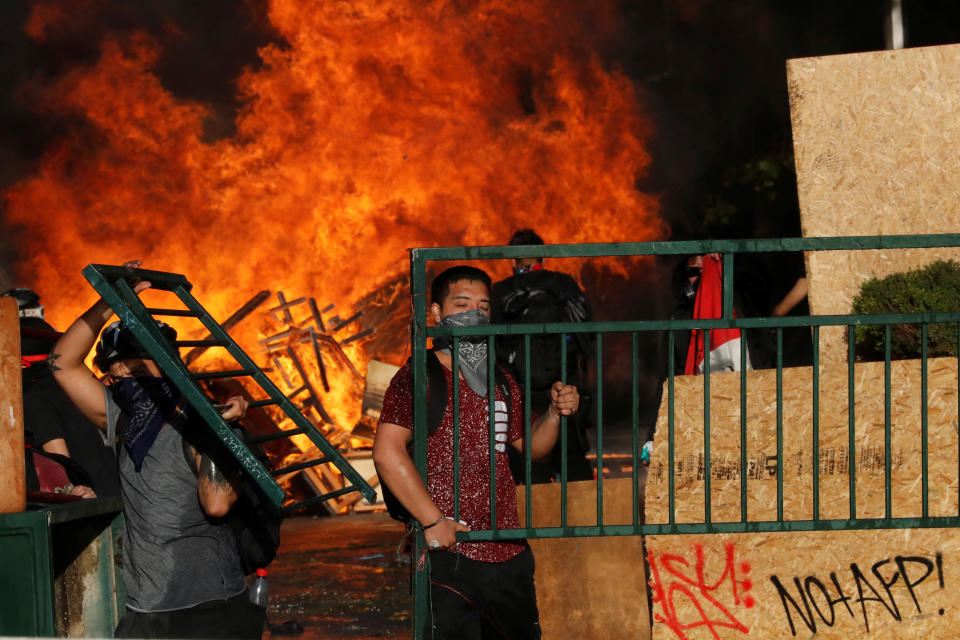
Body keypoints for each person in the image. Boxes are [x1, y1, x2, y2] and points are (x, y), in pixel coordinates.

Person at [49, 261, 264, 639]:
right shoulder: (122, 417)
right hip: (147, 603)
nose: (125, 378)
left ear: (167, 366)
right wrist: (108, 304)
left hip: (208, 601)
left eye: (138, 369)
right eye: (117, 371)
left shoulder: (197, 421)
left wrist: (219, 429)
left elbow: (216, 503)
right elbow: (62, 363)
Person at [373, 265, 580, 640]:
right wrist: (434, 522)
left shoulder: (501, 379)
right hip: (450, 556)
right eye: (462, 303)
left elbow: (531, 447)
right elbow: (387, 452)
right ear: (436, 313)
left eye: (484, 306)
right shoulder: (417, 376)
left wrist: (554, 413)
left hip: (509, 553)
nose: (475, 314)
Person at [491, 229, 593, 483]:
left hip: (520, 392)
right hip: (565, 387)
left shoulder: (500, 291)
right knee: (572, 458)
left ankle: (538, 520)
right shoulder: (564, 284)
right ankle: (586, 518)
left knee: (531, 462)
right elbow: (586, 333)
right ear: (542, 257)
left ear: (512, 261)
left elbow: (491, 343)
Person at [3, 288, 120, 499]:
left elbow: (61, 466)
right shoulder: (81, 387)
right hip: (120, 496)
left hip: (95, 506)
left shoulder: (33, 400)